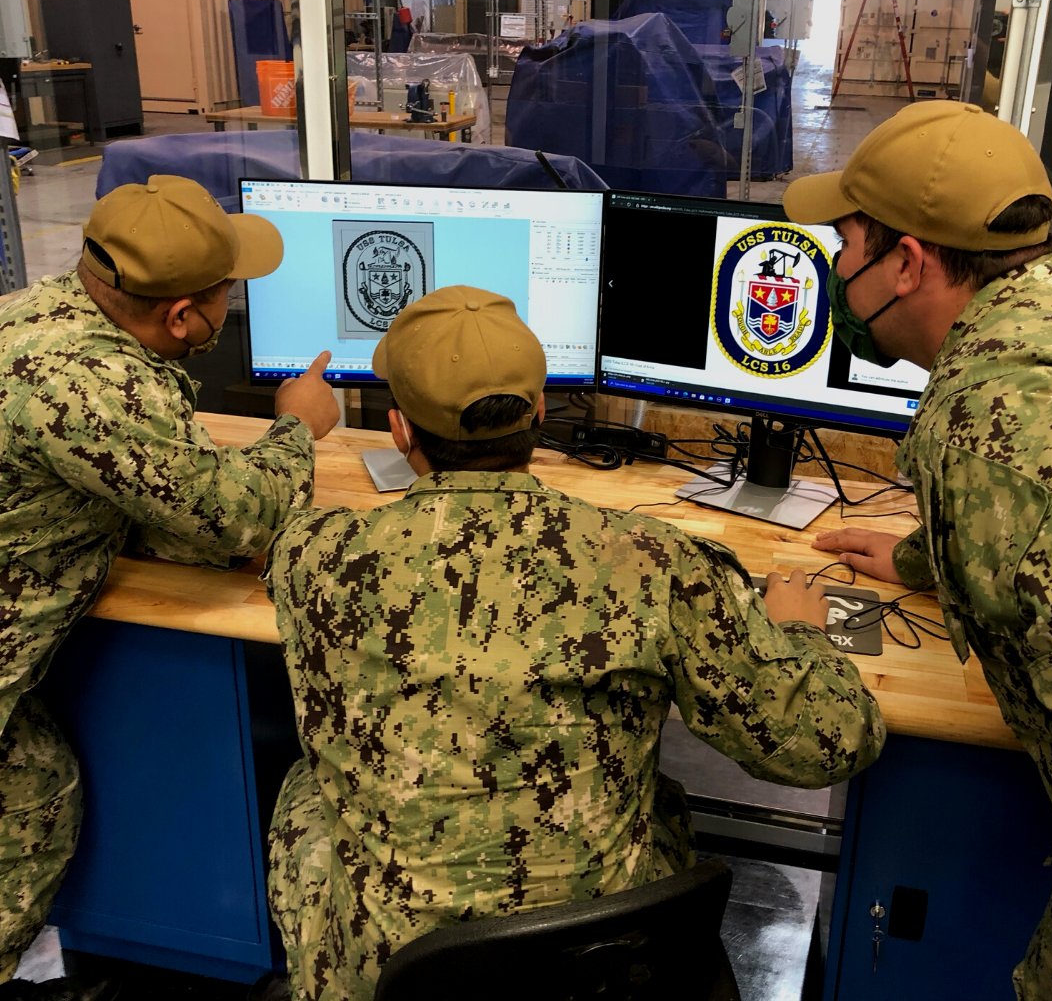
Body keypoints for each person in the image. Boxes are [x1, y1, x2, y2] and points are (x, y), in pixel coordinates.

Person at [262, 284, 885, 1000]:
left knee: (308, 788)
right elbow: (833, 741)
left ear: (399, 431)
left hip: (392, 977)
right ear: (538, 412)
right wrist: (798, 631)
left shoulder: (315, 556)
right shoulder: (650, 562)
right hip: (602, 969)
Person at [0, 175, 340, 996]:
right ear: (181, 316)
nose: (232, 310)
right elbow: (236, 516)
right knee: (30, 813)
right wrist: (299, 426)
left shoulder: (38, 312)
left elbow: (126, 476)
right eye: (227, 296)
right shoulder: (98, 389)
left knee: (38, 782)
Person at [783, 100, 1052, 1000]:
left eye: (846, 242)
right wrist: (928, 558)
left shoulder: (986, 438)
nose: (838, 268)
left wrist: (800, 642)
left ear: (906, 263)